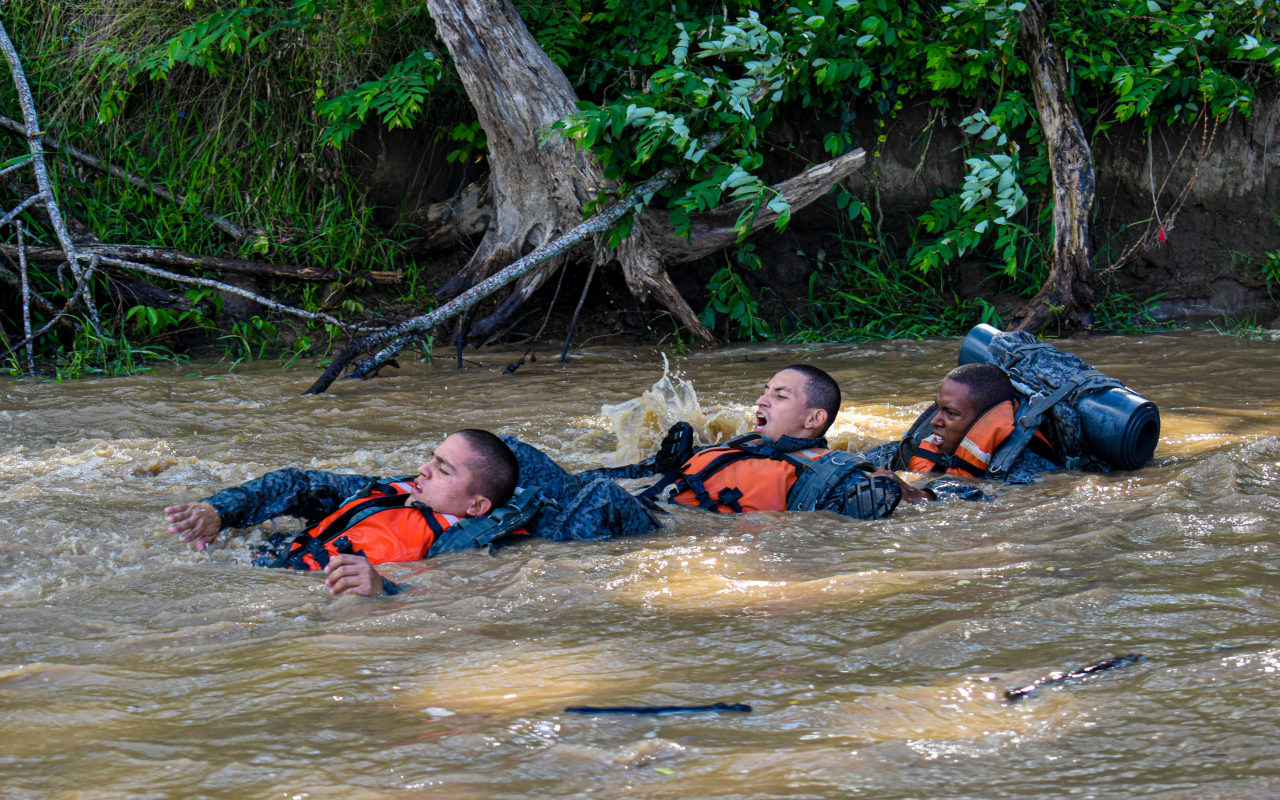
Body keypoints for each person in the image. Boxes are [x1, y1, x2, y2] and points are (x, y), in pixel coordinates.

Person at [165, 429, 659, 597]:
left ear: (477, 506)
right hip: (264, 561)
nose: (421, 471)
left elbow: (452, 601)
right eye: (431, 458)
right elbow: (298, 483)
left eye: (441, 469)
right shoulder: (393, 491)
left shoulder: (476, 546)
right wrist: (218, 511)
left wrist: (383, 589)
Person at [594, 365, 901, 519]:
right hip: (635, 508)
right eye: (765, 391)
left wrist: (905, 494)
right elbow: (627, 479)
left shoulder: (836, 477)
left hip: (646, 529)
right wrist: (663, 467)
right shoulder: (742, 445)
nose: (760, 401)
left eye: (779, 396)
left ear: (813, 419)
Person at [865, 362, 1060, 503]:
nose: (934, 421)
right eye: (938, 408)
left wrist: (916, 495)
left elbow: (1004, 505)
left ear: (985, 420)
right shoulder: (933, 444)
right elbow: (871, 458)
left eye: (951, 413)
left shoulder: (1030, 467)